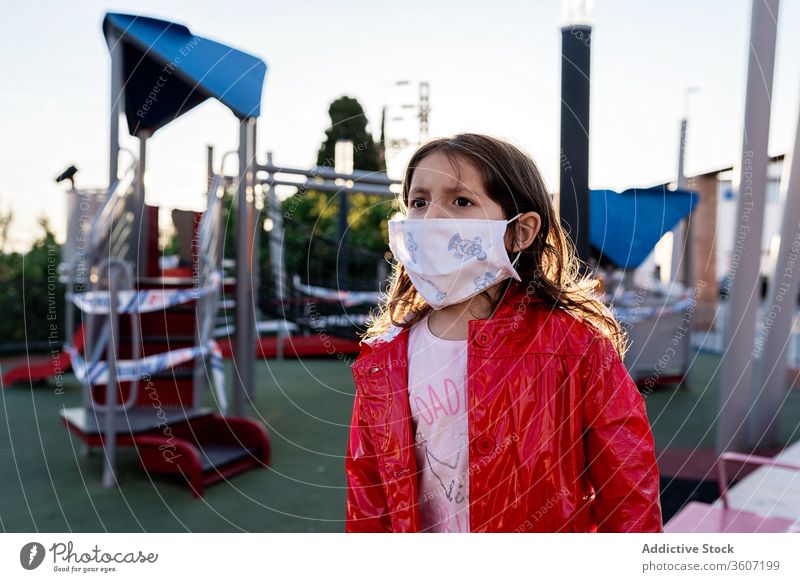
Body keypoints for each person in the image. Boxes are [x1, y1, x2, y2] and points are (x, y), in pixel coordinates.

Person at [345, 133, 662, 533]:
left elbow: (629, 488)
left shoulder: (575, 346)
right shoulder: (383, 358)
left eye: (461, 201)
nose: (430, 219)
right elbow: (367, 494)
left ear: (520, 231)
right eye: (419, 201)